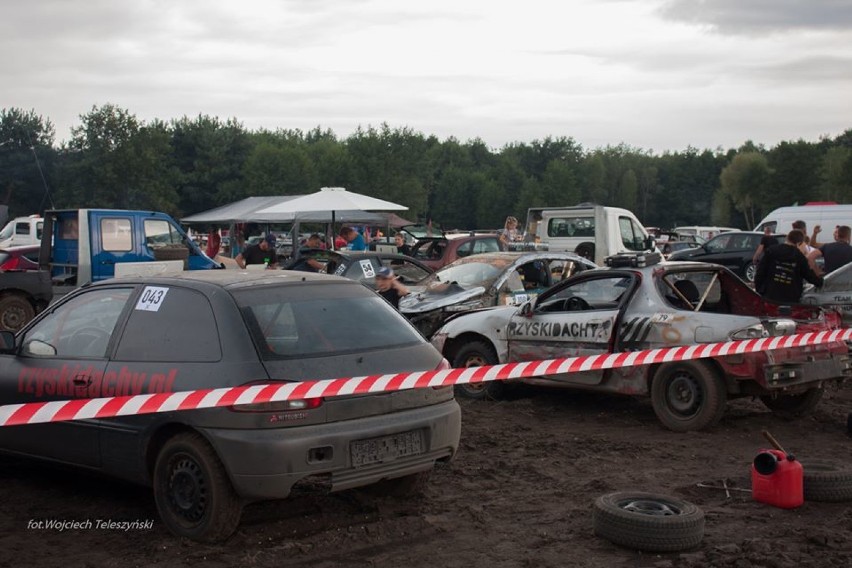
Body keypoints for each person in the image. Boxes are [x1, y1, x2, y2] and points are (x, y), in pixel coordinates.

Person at [755, 229, 823, 303]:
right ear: (799, 243)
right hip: (790, 297)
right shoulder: (799, 256)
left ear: (787, 238)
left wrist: (760, 290)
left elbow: (760, 272)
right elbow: (808, 274)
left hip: (770, 294)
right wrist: (820, 282)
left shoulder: (771, 250)